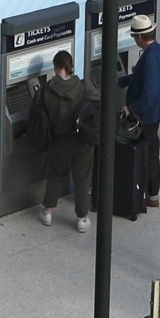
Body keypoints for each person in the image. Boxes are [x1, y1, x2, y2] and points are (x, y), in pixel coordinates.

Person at [32, 50, 95, 231]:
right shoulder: (83, 87)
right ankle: (82, 219)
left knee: (56, 174)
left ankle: (48, 212)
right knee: (82, 178)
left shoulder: (46, 90)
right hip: (83, 140)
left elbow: (37, 114)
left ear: (56, 67)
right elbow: (97, 104)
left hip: (60, 141)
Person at [122, 14, 160, 210]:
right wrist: (121, 80)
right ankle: (151, 192)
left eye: (134, 36)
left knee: (148, 153)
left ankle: (151, 193)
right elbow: (142, 78)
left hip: (146, 114)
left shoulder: (149, 57)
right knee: (151, 151)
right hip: (157, 110)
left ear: (140, 37)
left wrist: (131, 108)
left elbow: (148, 91)